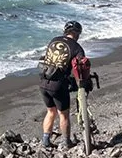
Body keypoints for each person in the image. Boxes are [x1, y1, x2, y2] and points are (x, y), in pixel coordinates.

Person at [38, 20, 90, 148]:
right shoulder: (77, 48)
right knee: (63, 114)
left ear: (65, 31)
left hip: (43, 81)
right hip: (58, 84)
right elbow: (80, 67)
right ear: (77, 33)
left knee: (51, 111)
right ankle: (66, 142)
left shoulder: (54, 40)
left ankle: (45, 141)